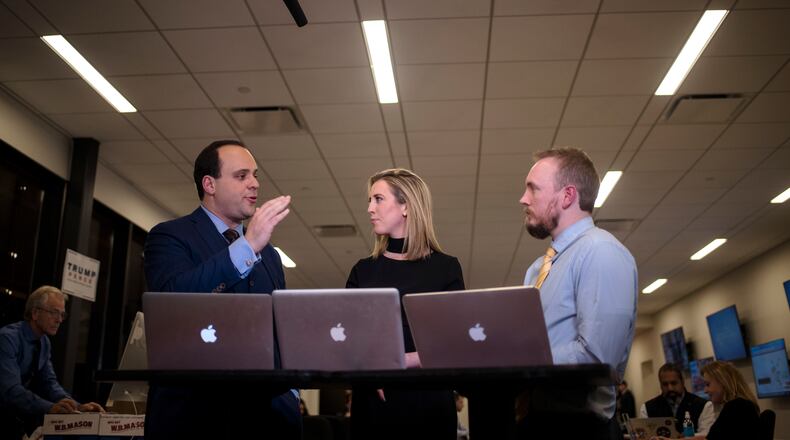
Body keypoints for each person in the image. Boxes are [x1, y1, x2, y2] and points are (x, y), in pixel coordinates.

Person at [143, 139, 299, 439]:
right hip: (196, 417)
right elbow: (174, 299)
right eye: (242, 176)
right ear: (209, 184)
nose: (254, 184)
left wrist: (290, 394)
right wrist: (248, 245)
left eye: (255, 175)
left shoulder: (270, 255)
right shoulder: (170, 236)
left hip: (267, 419)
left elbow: (280, 327)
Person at [518, 147, 638, 440]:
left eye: (533, 189)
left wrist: (518, 360)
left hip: (582, 429)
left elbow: (597, 357)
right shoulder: (537, 269)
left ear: (567, 196)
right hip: (538, 422)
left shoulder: (601, 252)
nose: (523, 199)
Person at [346, 168, 464, 440]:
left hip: (427, 400)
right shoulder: (363, 271)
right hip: (373, 401)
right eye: (369, 200)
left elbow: (453, 343)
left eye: (378, 199)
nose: (369, 209)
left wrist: (397, 361)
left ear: (406, 207)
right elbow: (348, 337)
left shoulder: (445, 269)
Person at [0, 286, 104, 439]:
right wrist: (51, 407)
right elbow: (11, 391)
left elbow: (49, 384)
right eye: (54, 312)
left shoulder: (44, 342)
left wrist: (77, 407)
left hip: (15, 419)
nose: (59, 320)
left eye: (62, 314)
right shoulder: (7, 338)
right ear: (35, 313)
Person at [652, 361, 760, 440]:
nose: (705, 390)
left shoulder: (735, 407)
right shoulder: (742, 405)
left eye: (708, 384)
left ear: (723, 383)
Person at [640, 363, 714, 435]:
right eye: (665, 384)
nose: (670, 388)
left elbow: (706, 435)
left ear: (682, 382)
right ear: (660, 384)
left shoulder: (703, 406)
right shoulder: (647, 408)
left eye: (674, 383)